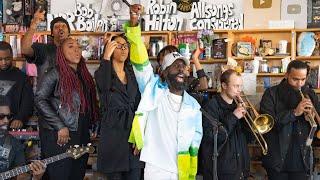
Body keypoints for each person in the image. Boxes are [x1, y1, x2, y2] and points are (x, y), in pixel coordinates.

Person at [126, 4, 202, 179]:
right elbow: (140, 61)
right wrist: (134, 23)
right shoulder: (152, 90)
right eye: (177, 66)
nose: (182, 70)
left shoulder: (193, 106)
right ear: (165, 71)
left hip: (182, 171)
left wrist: (190, 171)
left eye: (185, 67)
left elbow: (195, 141)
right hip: (157, 168)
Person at [35, 38, 98, 180]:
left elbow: (88, 104)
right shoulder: (54, 73)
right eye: (70, 46)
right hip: (60, 134)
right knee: (61, 173)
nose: (76, 49)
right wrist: (60, 126)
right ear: (61, 53)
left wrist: (92, 123)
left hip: (80, 132)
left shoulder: (83, 75)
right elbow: (39, 99)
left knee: (77, 173)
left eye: (78, 46)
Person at [260, 60, 320, 180]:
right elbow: (268, 124)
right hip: (277, 157)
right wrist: (294, 113)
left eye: (303, 79)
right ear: (286, 75)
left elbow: (316, 126)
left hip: (301, 158)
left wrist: (312, 118)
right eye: (295, 79)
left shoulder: (310, 93)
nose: (299, 84)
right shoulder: (271, 93)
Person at [94, 33, 143, 179]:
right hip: (113, 135)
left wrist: (140, 137)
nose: (123, 49)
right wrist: (106, 56)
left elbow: (140, 105)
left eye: (125, 46)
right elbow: (104, 85)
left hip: (132, 135)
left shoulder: (133, 74)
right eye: (118, 46)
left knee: (134, 174)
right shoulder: (102, 73)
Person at [200, 69, 250, 180]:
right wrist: (234, 117)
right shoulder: (210, 106)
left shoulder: (238, 106)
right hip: (221, 173)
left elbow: (249, 138)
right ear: (224, 85)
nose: (239, 90)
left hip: (241, 170)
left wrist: (248, 119)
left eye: (240, 86)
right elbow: (212, 137)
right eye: (236, 86)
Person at [0, 96, 45, 180]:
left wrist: (35, 178)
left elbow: (20, 175)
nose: (6, 121)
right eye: (1, 116)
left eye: (9, 117)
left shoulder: (14, 142)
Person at [21, 9, 70, 79]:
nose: (60, 28)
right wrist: (33, 25)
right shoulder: (43, 49)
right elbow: (25, 50)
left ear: (69, 32)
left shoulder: (75, 50)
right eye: (56, 27)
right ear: (52, 33)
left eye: (63, 26)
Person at [0, 41, 34, 129]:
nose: (3, 62)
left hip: (13, 125)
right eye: (0, 59)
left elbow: (28, 102)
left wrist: (20, 118)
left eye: (7, 58)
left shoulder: (22, 77)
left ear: (12, 56)